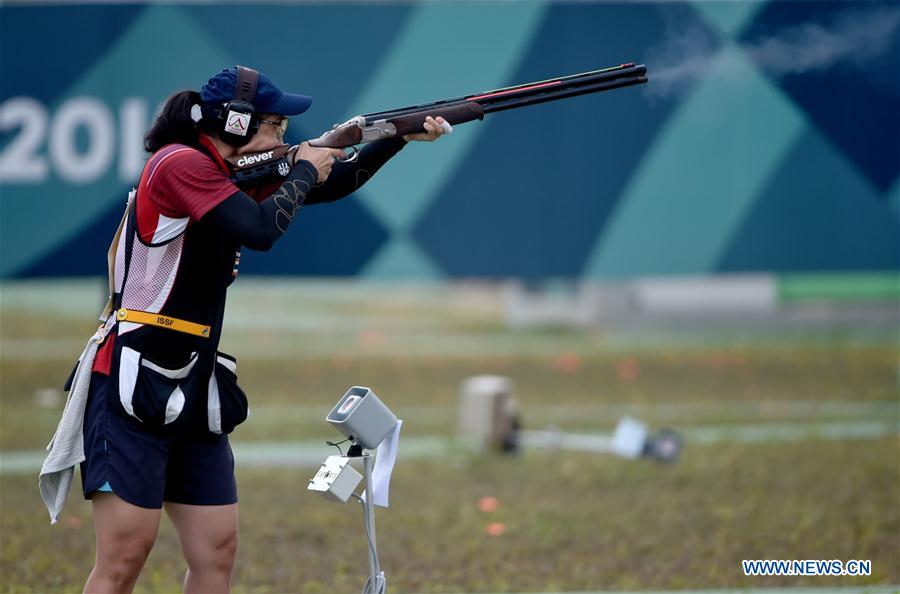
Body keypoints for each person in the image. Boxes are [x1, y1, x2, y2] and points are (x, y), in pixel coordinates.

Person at [41, 65, 447, 594]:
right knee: (125, 554)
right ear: (234, 125)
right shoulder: (180, 164)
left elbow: (337, 181)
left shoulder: (230, 175)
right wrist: (302, 167)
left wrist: (395, 140)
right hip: (132, 381)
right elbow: (261, 231)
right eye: (275, 125)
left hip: (194, 380)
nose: (284, 136)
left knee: (217, 548)